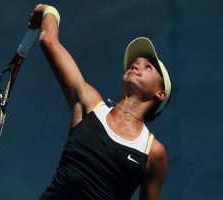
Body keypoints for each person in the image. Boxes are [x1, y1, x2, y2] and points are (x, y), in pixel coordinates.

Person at [28, 4, 172, 200]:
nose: (137, 64)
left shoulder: (154, 153)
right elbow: (49, 40)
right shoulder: (90, 104)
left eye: (148, 67)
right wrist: (48, 10)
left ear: (160, 94)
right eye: (135, 63)